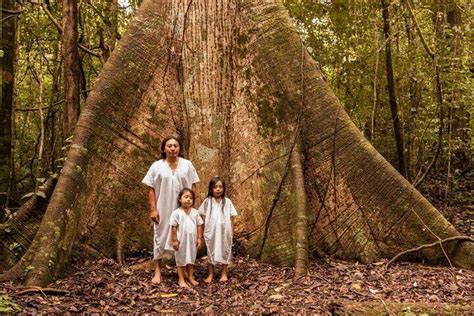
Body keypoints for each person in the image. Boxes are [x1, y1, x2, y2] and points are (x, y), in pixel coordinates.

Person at [142, 136, 200, 284]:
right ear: (163, 148)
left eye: (175, 146)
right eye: (169, 146)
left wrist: (194, 206)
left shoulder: (187, 165)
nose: (173, 148)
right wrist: (153, 210)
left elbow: (194, 186)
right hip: (163, 207)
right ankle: (157, 270)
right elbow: (151, 189)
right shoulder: (156, 166)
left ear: (179, 148)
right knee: (160, 237)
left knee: (186, 237)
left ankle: (186, 272)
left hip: (185, 209)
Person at [198, 176, 238, 283]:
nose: (218, 189)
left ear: (224, 189)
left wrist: (231, 231)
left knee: (225, 249)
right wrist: (203, 231)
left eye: (220, 187)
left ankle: (224, 273)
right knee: (211, 250)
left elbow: (232, 217)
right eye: (215, 187)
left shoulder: (227, 202)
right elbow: (201, 216)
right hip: (211, 231)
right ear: (211, 188)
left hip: (225, 231)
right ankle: (211, 274)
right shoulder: (207, 201)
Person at [169, 188, 203, 287]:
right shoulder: (176, 213)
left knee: (191, 259)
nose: (188, 200)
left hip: (192, 241)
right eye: (186, 197)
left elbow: (199, 225)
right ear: (180, 199)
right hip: (181, 241)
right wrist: (174, 240)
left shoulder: (195, 212)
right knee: (181, 259)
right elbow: (174, 227)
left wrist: (199, 238)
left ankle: (190, 277)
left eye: (191, 198)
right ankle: (181, 279)